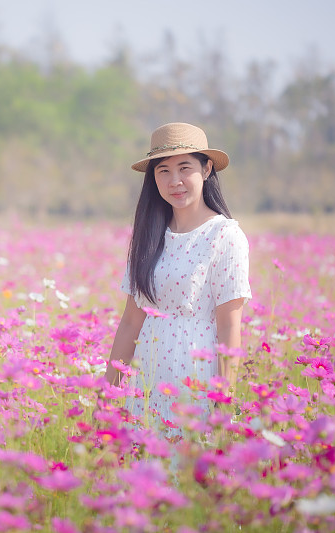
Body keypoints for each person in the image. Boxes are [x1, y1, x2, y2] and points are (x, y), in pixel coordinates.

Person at [104, 122, 251, 437]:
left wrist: (223, 404)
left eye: (185, 168)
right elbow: (131, 322)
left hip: (194, 377)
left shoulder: (224, 235)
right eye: (163, 171)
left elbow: (229, 326)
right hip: (146, 379)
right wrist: (108, 398)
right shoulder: (148, 234)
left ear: (207, 169)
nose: (175, 181)